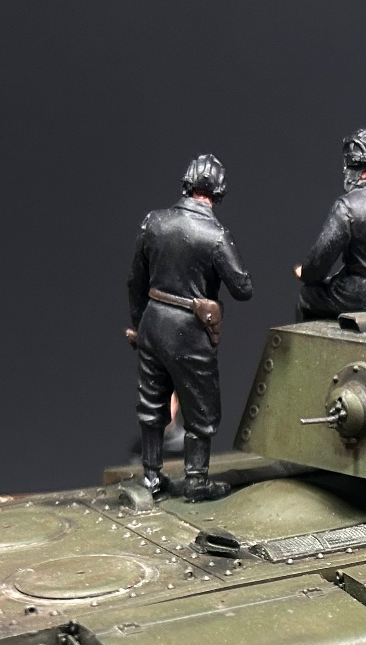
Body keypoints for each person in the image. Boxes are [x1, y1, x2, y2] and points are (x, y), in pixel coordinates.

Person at [126, 153, 253, 501]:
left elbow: (135, 281)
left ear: (186, 185)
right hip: (190, 330)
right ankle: (196, 480)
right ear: (218, 192)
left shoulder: (154, 222)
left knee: (151, 403)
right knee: (201, 407)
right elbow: (243, 288)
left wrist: (139, 326)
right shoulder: (215, 235)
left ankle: (151, 477)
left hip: (153, 321)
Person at [294, 129, 366, 321]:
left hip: (360, 295)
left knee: (308, 295)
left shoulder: (347, 206)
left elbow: (321, 260)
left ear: (352, 164)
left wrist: (306, 273)